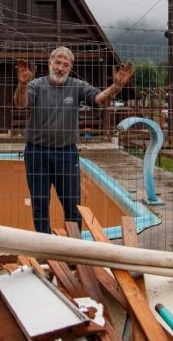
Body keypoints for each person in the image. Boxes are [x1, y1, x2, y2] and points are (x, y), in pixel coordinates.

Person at [14, 46, 134, 233]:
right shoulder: (35, 84)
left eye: (65, 65)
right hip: (36, 153)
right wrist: (22, 85)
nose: (60, 68)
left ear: (70, 68)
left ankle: (73, 248)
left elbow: (99, 98)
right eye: (58, 63)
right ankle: (44, 246)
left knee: (72, 203)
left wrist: (116, 86)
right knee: (39, 202)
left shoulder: (77, 86)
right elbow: (21, 104)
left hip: (66, 153)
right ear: (49, 63)